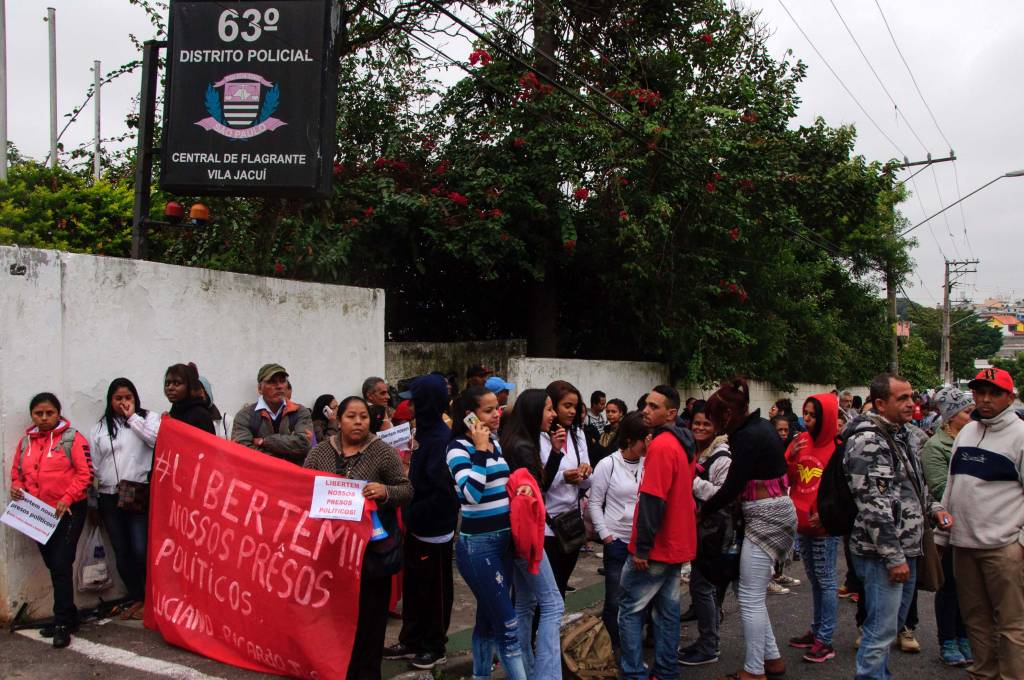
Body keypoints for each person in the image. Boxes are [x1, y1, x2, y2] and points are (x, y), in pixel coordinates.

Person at [845, 373, 953, 680]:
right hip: (882, 553)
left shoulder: (904, 435)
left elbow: (913, 490)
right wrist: (893, 557)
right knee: (879, 633)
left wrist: (935, 509)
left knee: (888, 628)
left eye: (912, 396)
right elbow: (874, 506)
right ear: (880, 403)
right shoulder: (868, 441)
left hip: (907, 546)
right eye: (902, 398)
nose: (911, 403)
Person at [303, 396, 411, 680]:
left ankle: (367, 673)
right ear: (339, 420)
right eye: (352, 416)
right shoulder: (320, 453)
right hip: (331, 556)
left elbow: (406, 489)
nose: (359, 422)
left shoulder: (383, 452)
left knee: (370, 621)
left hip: (370, 556)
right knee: (336, 621)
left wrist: (385, 492)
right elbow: (303, 488)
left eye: (363, 416)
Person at [702, 377, 795, 680]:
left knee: (750, 597)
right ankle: (771, 660)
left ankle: (754, 670)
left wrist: (703, 510)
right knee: (750, 593)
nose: (713, 425)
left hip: (765, 517)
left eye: (715, 419)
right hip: (774, 514)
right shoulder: (760, 427)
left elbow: (732, 486)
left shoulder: (746, 436)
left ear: (727, 415)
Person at [936, 368, 1024, 679]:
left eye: (994, 393)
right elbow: (951, 486)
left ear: (1009, 397)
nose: (985, 399)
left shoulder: (1020, 435)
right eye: (979, 392)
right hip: (964, 546)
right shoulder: (966, 432)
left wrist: (1020, 544)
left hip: (1004, 548)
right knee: (975, 619)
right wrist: (942, 538)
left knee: (1012, 624)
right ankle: (984, 674)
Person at [446, 386, 529, 680]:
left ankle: (480, 676)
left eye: (498, 407)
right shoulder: (457, 448)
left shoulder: (495, 442)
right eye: (489, 410)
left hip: (504, 543)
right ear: (470, 416)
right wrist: (479, 450)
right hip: (478, 548)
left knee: (487, 621)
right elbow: (471, 494)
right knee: (508, 625)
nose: (498, 414)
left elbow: (498, 488)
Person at [617, 385, 696, 680]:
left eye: (653, 407)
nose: (645, 411)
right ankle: (665, 671)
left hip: (658, 546)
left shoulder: (663, 446)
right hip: (676, 543)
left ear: (671, 413)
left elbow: (653, 499)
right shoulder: (683, 442)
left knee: (630, 610)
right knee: (667, 612)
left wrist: (642, 548)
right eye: (645, 405)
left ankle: (633, 672)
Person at [383, 375, 459, 670]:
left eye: (413, 400)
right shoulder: (422, 434)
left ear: (426, 403)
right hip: (416, 528)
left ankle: (434, 645)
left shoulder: (441, 439)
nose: (408, 405)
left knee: (435, 591)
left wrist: (411, 513)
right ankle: (411, 639)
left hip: (434, 530)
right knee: (414, 588)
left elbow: (442, 493)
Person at [9, 393, 92, 648]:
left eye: (49, 413)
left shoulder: (72, 438)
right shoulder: (26, 443)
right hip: (37, 514)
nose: (44, 418)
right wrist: (16, 487)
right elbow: (18, 472)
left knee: (60, 563)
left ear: (58, 413)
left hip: (68, 511)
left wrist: (67, 497)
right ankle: (69, 615)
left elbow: (85, 473)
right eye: (39, 414)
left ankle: (61, 623)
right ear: (32, 415)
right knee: (53, 563)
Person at [499, 388, 566, 678]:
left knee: (525, 604)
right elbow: (537, 493)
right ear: (534, 410)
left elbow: (540, 485)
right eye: (549, 409)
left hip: (514, 538)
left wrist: (555, 452)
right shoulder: (522, 447)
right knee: (553, 604)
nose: (553, 415)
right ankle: (547, 675)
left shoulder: (514, 441)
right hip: (526, 538)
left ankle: (525, 671)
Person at [88, 378, 160, 619]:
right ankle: (137, 596)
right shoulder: (100, 428)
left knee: (141, 548)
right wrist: (93, 501)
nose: (123, 402)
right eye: (118, 398)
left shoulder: (147, 418)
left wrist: (132, 418)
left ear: (135, 398)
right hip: (110, 495)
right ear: (111, 400)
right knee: (122, 551)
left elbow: (156, 440)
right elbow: (95, 467)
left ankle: (153, 596)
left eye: (127, 397)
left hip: (137, 492)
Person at [785, 393, 841, 664]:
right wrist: (791, 459)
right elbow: (787, 477)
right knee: (815, 581)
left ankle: (825, 640)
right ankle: (817, 630)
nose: (806, 419)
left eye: (813, 415)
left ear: (826, 417)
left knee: (827, 581)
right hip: (801, 524)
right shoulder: (800, 441)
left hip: (823, 529)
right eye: (805, 413)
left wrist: (826, 515)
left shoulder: (837, 447)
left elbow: (841, 490)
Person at [920, 386, 974, 667]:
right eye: (967, 411)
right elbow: (940, 489)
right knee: (950, 586)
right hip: (949, 528)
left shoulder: (975, 440)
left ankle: (965, 636)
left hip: (977, 528)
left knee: (970, 588)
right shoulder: (935, 447)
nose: (972, 415)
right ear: (951, 416)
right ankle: (948, 640)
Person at [588, 411, 648, 647]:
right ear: (631, 438)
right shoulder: (608, 464)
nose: (649, 444)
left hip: (641, 543)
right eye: (646, 438)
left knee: (640, 598)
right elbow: (594, 502)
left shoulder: (650, 462)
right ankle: (613, 647)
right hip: (617, 542)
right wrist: (606, 536)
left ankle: (633, 645)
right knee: (614, 599)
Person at [680, 400, 731, 666]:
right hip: (697, 529)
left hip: (713, 533)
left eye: (706, 424)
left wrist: (692, 480)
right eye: (696, 423)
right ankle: (706, 640)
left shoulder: (721, 457)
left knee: (703, 587)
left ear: (717, 427)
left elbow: (723, 495)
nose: (700, 427)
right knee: (701, 587)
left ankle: (709, 645)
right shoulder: (696, 451)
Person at [540, 380, 593, 596]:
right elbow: (538, 483)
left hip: (571, 522)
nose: (571, 411)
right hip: (547, 524)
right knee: (544, 594)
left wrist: (584, 473)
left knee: (560, 587)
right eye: (566, 406)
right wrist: (564, 476)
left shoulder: (578, 435)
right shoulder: (540, 436)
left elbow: (589, 483)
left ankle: (552, 629)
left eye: (575, 406)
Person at [232, 364, 313, 464]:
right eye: (272, 382)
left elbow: (303, 444)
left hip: (292, 477)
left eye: (283, 381)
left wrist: (265, 441)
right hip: (258, 477)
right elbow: (242, 451)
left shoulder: (300, 411)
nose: (279, 386)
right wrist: (280, 461)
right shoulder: (245, 416)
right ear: (260, 388)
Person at [163, 363, 215, 434]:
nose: (170, 388)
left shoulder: (201, 416)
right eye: (167, 384)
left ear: (190, 386)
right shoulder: (173, 412)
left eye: (177, 383)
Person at [591, 398, 627, 468]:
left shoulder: (624, 432)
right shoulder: (606, 431)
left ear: (621, 413)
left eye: (613, 412)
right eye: (607, 412)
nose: (610, 414)